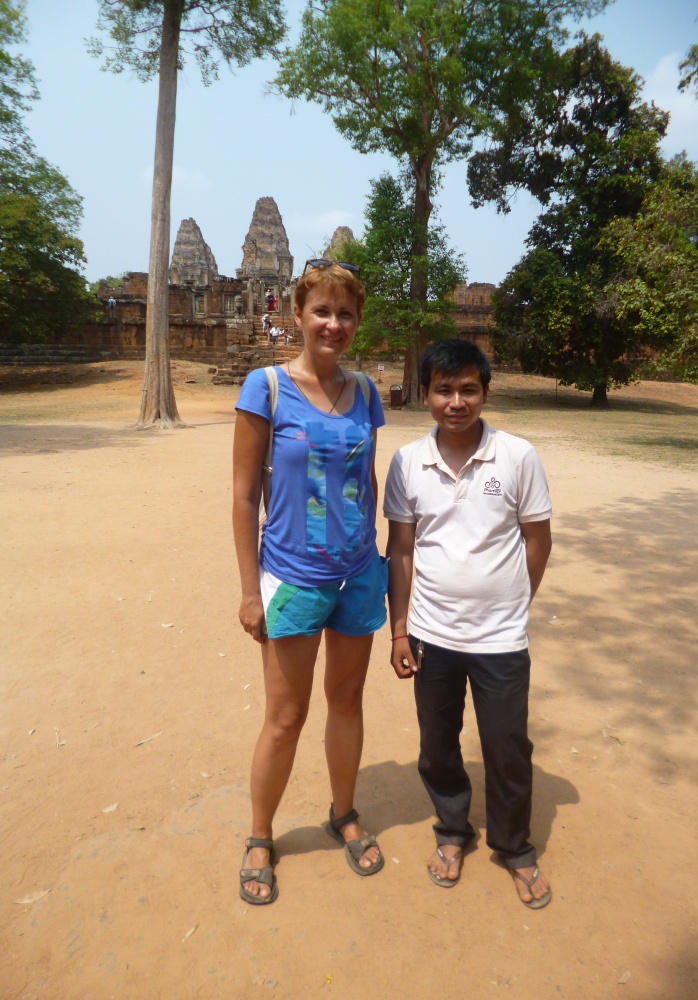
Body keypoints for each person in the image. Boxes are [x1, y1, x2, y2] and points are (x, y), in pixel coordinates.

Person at [232, 259, 388, 905]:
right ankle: (260, 835)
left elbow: (367, 480)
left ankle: (343, 812)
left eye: (345, 313)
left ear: (356, 322)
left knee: (347, 700)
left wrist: (375, 558)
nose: (333, 323)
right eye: (322, 310)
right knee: (285, 716)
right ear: (296, 314)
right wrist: (250, 591)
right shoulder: (266, 387)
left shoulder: (368, 393)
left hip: (357, 575)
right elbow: (244, 497)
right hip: (294, 577)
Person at [383, 339, 553, 908]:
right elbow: (401, 550)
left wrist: (515, 602)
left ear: (485, 393)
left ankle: (514, 846)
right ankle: (453, 829)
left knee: (507, 746)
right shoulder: (408, 461)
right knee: (436, 744)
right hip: (431, 633)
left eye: (468, 390)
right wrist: (400, 629)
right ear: (425, 393)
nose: (456, 402)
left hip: (500, 637)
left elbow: (537, 539)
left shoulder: (517, 456)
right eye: (444, 390)